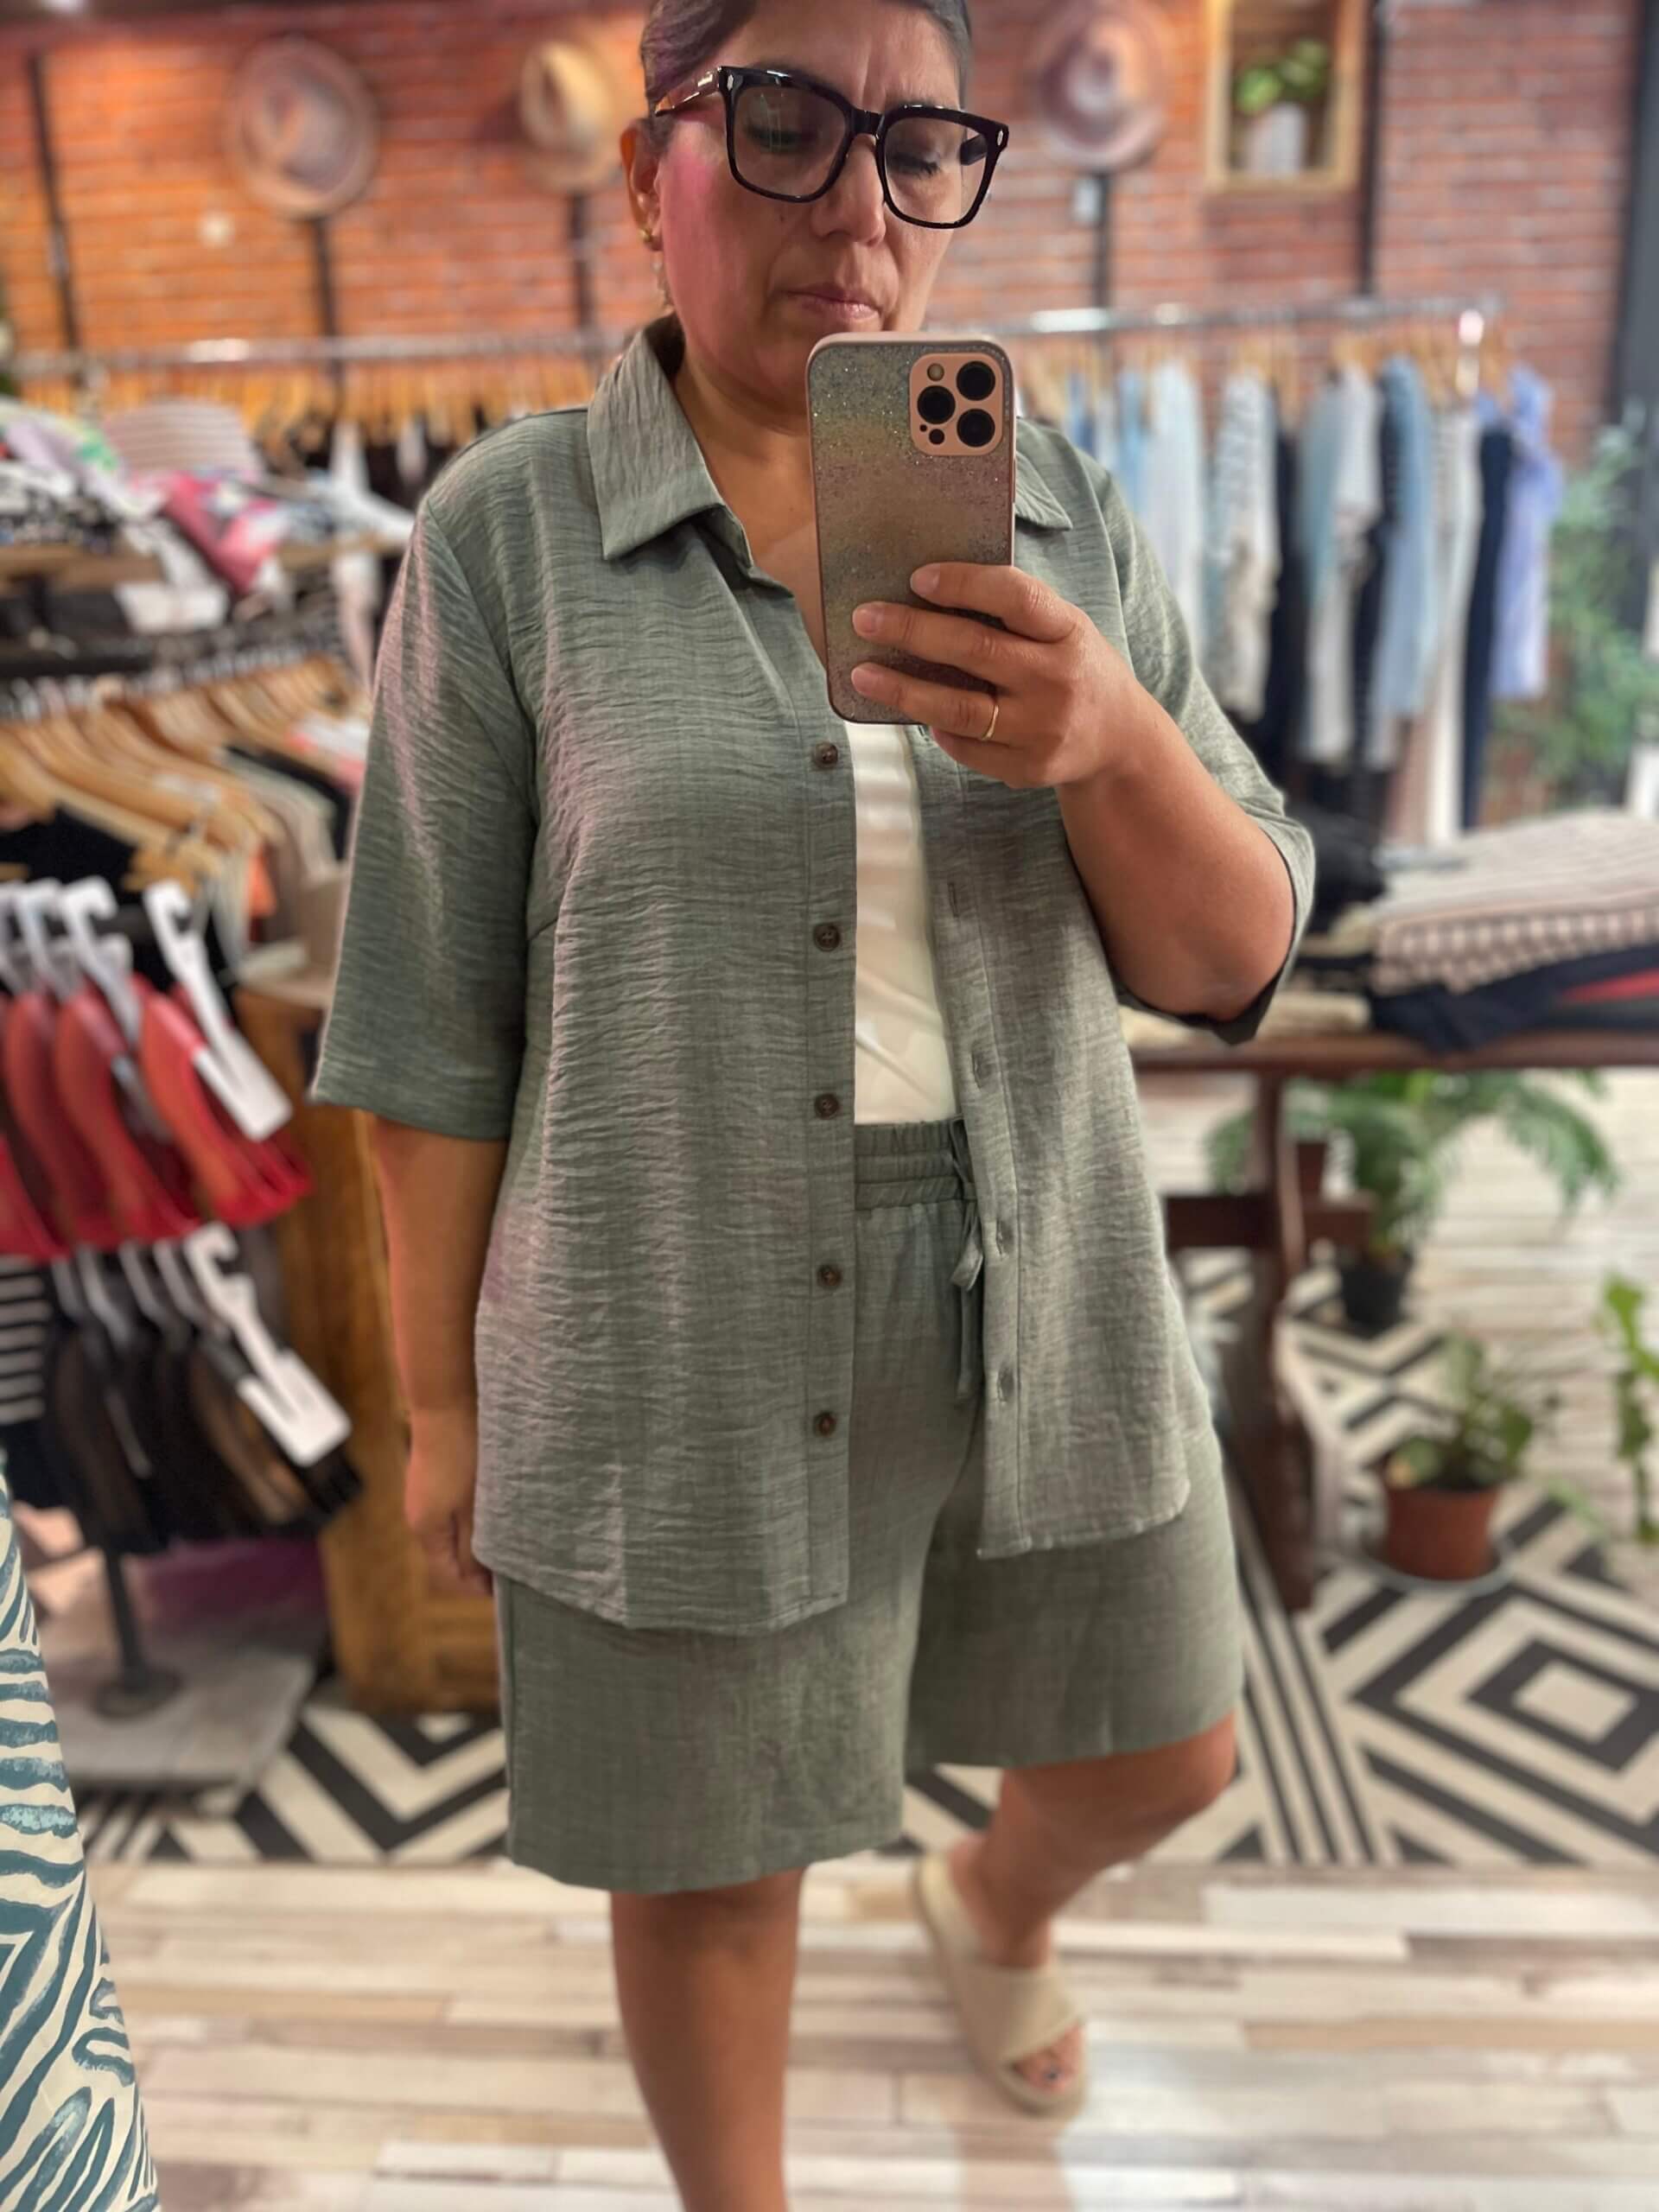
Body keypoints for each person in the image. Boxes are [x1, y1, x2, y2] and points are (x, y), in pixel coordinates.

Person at [315, 3, 1315, 2205]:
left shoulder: (1056, 506)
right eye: (785, 123)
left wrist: (1113, 741)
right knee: (713, 1860)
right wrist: (442, 1405)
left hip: (1044, 1275)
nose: (860, 206)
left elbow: (1232, 952)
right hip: (671, 1315)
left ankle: (989, 1905)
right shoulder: (504, 537)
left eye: (921, 144)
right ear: (648, 170)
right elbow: (426, 1019)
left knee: (1168, 1744)